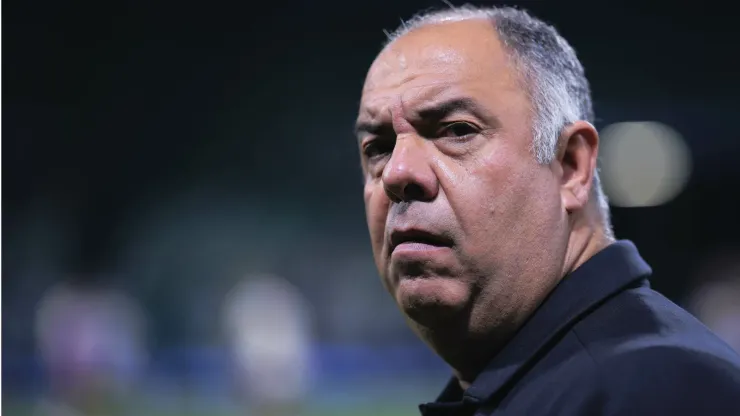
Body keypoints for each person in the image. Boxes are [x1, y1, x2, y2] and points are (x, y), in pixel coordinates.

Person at [355, 5, 740, 415]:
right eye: (378, 148)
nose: (397, 172)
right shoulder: (566, 379)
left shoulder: (655, 388)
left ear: (571, 166)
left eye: (457, 130)